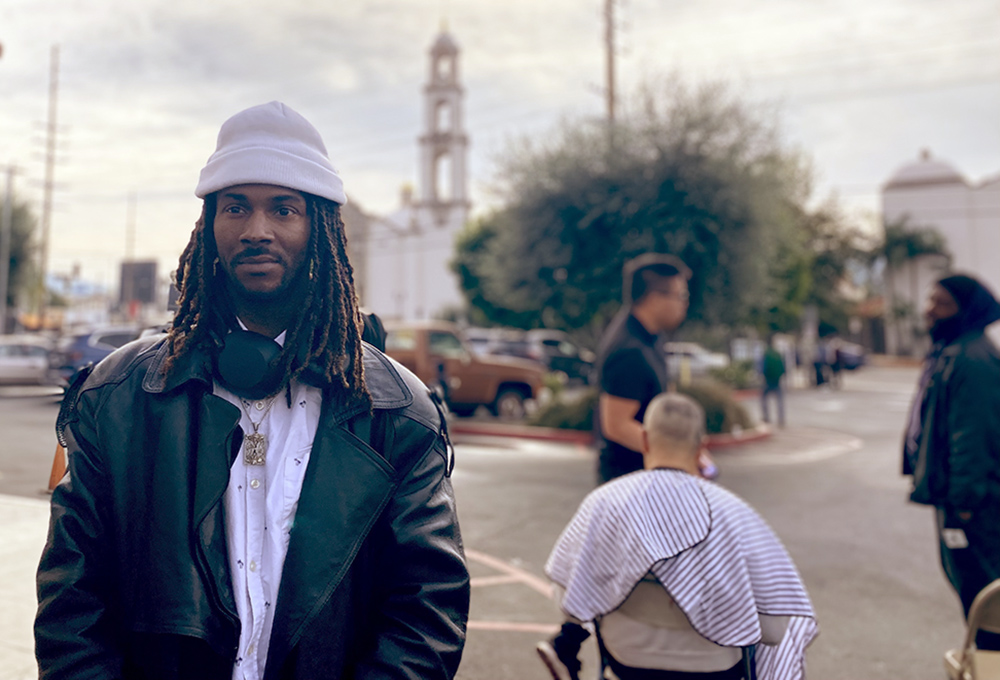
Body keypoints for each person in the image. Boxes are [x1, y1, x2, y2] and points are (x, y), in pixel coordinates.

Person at [35, 102, 470, 679]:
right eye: (235, 207)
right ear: (208, 227)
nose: (256, 230)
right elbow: (71, 606)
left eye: (282, 209)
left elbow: (427, 613)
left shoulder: (398, 412)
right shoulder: (116, 398)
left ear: (319, 229)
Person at [538, 393, 818, 680]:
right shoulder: (737, 515)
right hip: (716, 670)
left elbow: (568, 596)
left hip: (628, 663)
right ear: (701, 447)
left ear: (645, 440)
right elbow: (774, 629)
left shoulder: (603, 504)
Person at [903, 273, 1000, 650]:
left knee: (986, 595)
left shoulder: (972, 360)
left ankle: (991, 662)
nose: (929, 311)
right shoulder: (953, 351)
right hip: (959, 501)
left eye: (941, 304)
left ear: (966, 310)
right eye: (930, 301)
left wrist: (964, 505)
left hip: (974, 506)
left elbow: (972, 438)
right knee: (973, 589)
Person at [594, 254, 691, 484]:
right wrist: (674, 455)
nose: (684, 303)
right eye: (681, 295)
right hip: (628, 484)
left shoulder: (652, 336)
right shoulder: (628, 351)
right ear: (655, 298)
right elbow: (616, 426)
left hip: (648, 477)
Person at [759, 337, 786, 428]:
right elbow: (783, 367)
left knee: (764, 399)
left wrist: (763, 376)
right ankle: (781, 419)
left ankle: (766, 417)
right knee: (779, 401)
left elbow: (763, 367)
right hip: (777, 380)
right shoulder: (778, 354)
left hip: (768, 380)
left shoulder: (766, 354)